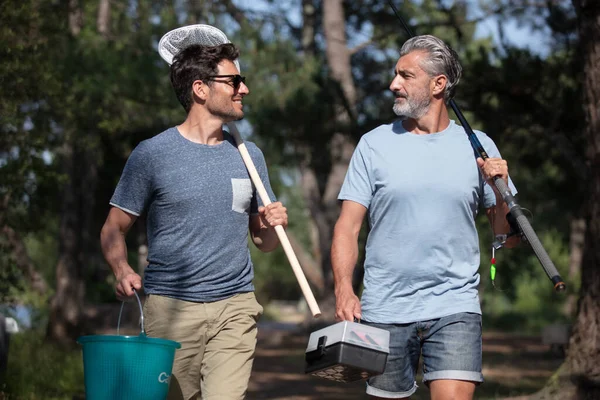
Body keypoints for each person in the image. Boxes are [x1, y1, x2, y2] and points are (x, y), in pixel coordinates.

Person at [331, 35, 519, 400]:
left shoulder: (479, 147)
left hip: (454, 305)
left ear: (439, 84)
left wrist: (500, 189)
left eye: (405, 75)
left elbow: (505, 237)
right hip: (384, 307)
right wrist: (343, 287)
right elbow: (347, 226)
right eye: (395, 75)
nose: (393, 84)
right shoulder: (374, 143)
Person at [100, 43, 287, 400]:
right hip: (170, 308)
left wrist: (271, 224)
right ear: (200, 89)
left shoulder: (249, 156)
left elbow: (264, 243)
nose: (244, 89)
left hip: (235, 304)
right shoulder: (153, 154)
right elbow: (114, 227)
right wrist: (121, 270)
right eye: (235, 81)